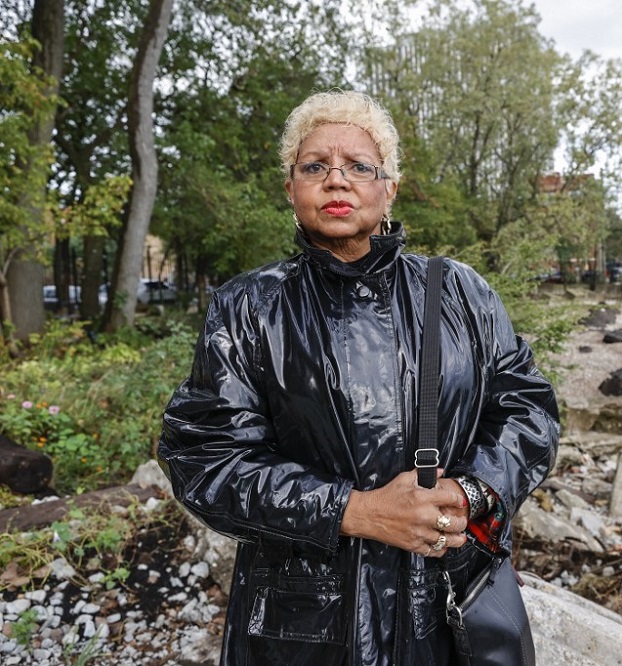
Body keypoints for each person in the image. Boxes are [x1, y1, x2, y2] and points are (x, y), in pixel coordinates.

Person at [157, 90, 560, 665]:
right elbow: (205, 459)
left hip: (448, 606)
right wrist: (355, 511)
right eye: (315, 166)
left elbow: (528, 410)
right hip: (305, 626)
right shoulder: (248, 308)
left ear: (388, 187)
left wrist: (471, 492)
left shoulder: (461, 293)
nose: (336, 180)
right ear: (290, 188)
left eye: (359, 166)